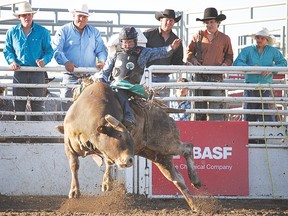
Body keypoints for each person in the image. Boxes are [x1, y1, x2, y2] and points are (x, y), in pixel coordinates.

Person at [97, 26, 182, 129]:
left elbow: (158, 52)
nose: (127, 45)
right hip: (115, 84)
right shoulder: (115, 53)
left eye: (130, 42)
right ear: (121, 42)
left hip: (133, 87)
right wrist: (101, 80)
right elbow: (106, 70)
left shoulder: (143, 53)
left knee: (119, 91)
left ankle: (129, 115)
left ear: (135, 41)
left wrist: (171, 47)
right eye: (125, 42)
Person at [3, 2, 53, 121]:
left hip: (37, 73)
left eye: (29, 14)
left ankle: (37, 138)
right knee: (19, 108)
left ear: (32, 16)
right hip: (19, 72)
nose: (27, 17)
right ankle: (20, 138)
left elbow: (49, 51)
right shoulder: (12, 32)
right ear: (19, 17)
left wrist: (44, 61)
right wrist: (12, 61)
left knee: (38, 108)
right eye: (24, 15)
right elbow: (8, 50)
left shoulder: (43, 32)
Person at [52, 3, 108, 111]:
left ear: (87, 18)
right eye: (79, 16)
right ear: (73, 16)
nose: (81, 19)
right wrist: (65, 62)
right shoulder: (63, 31)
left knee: (90, 110)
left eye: (84, 17)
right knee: (67, 108)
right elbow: (56, 50)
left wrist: (101, 60)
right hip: (70, 76)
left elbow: (101, 50)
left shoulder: (94, 32)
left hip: (89, 77)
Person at [186, 7, 233, 121]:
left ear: (218, 23)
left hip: (216, 77)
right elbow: (189, 52)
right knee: (198, 111)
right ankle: (197, 136)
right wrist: (193, 60)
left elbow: (229, 56)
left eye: (211, 22)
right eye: (206, 22)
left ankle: (216, 134)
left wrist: (225, 65)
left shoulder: (225, 38)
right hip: (199, 77)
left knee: (216, 111)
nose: (209, 25)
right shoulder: (197, 36)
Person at [233, 27, 287, 122]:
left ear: (267, 40)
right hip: (251, 86)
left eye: (262, 38)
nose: (259, 40)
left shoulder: (273, 51)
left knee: (268, 115)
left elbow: (283, 63)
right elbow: (237, 63)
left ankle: (266, 135)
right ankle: (251, 136)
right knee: (249, 115)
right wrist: (250, 68)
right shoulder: (247, 50)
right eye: (258, 38)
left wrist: (271, 69)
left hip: (266, 86)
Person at [143, 9, 184, 103]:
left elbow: (177, 61)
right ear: (161, 20)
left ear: (174, 22)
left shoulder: (176, 40)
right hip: (147, 76)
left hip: (164, 78)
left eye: (171, 20)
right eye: (167, 20)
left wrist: (183, 64)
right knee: (146, 106)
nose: (169, 23)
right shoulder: (148, 35)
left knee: (162, 107)